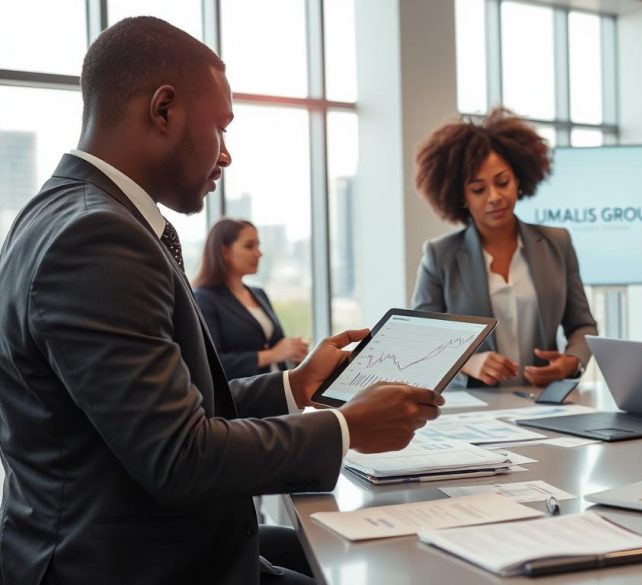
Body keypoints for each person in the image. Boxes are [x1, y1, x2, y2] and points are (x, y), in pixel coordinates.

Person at [0, 17, 443, 585]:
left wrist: (297, 385)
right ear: (164, 111)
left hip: (162, 546)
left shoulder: (69, 213)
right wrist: (346, 428)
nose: (226, 155)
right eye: (221, 128)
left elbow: (165, 407)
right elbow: (180, 456)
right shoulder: (97, 239)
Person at [411, 108, 598, 388]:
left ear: (519, 180)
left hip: (542, 402)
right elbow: (422, 337)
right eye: (478, 189)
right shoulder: (440, 256)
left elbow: (582, 325)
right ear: (460, 196)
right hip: (470, 409)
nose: (495, 197)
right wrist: (469, 362)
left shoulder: (557, 244)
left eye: (503, 182)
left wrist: (571, 362)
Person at [193, 218, 308, 380]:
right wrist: (273, 354)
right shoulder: (204, 298)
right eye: (249, 246)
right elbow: (213, 363)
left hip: (280, 392)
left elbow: (278, 344)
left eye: (258, 245)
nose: (259, 253)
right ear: (224, 252)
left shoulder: (259, 294)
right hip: (244, 398)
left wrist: (293, 350)